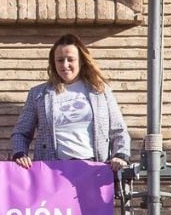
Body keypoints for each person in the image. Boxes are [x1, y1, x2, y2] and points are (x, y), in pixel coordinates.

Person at [10, 34, 132, 170]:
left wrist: (121, 155)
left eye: (71, 59)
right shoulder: (38, 94)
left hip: (94, 168)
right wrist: (20, 153)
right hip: (52, 170)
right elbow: (21, 132)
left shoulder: (100, 91)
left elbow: (119, 130)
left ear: (81, 61)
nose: (65, 65)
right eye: (60, 60)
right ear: (53, 63)